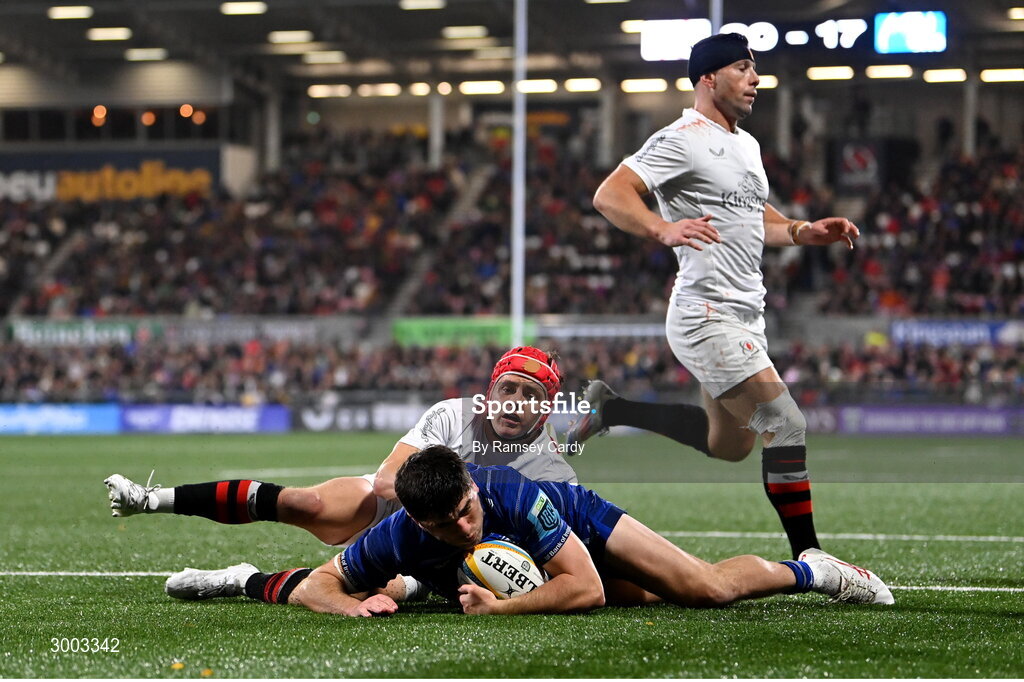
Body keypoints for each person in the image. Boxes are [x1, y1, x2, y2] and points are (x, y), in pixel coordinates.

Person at [572, 32, 861, 559]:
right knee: (785, 423)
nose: (755, 79)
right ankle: (813, 560)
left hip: (746, 315)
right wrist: (663, 229)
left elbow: (754, 219)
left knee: (728, 445)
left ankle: (614, 411)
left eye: (755, 69)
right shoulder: (682, 137)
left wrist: (802, 230)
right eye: (743, 68)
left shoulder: (745, 145)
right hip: (706, 315)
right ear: (709, 77)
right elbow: (609, 194)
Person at [106, 346, 576, 604]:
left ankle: (241, 580)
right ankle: (150, 499)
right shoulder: (453, 416)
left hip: (460, 549)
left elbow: (563, 549)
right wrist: (444, 503)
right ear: (490, 390)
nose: (515, 400)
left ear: (547, 406)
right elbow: (388, 480)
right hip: (401, 510)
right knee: (305, 503)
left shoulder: (553, 468)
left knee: (371, 592)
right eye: (507, 388)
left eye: (529, 394)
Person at [283, 445, 893, 617]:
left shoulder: (514, 496)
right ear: (417, 522)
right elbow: (318, 582)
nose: (464, 527)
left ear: (473, 485)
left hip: (581, 525)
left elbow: (586, 587)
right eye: (444, 526)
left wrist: (500, 611)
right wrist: (350, 610)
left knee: (702, 589)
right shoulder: (400, 535)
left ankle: (818, 570)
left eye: (467, 510)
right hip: (540, 563)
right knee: (648, 600)